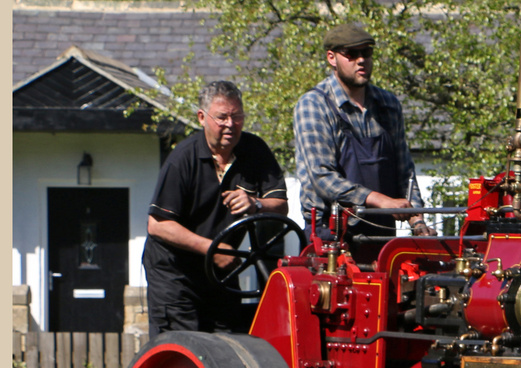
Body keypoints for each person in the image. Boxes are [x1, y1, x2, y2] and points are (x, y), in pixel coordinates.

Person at [143, 80, 288, 337]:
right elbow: (157, 225)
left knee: (227, 343)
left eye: (237, 117)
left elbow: (280, 207)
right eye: (222, 118)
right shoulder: (182, 159)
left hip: (221, 269)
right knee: (185, 345)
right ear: (202, 117)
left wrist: (256, 204)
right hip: (175, 272)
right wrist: (213, 248)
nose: (231, 125)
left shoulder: (255, 151)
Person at [293, 21, 434, 251]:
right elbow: (322, 177)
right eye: (351, 53)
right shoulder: (314, 105)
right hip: (331, 236)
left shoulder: (388, 105)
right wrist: (382, 201)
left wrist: (416, 219)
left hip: (382, 234)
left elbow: (405, 171)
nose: (361, 60)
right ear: (332, 58)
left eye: (366, 53)